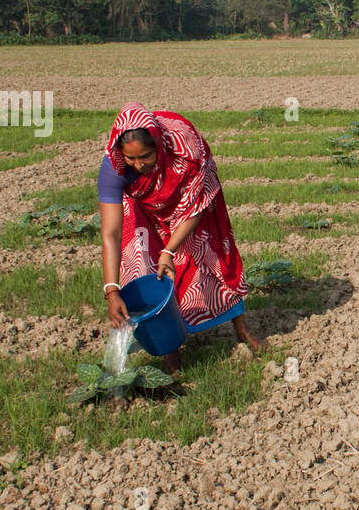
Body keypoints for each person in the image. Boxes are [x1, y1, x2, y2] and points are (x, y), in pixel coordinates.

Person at [99, 103, 266, 374]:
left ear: (159, 147)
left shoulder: (186, 152)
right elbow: (111, 232)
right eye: (131, 159)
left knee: (210, 257)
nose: (139, 165)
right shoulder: (114, 167)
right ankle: (170, 349)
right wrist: (111, 290)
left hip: (192, 197)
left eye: (146, 156)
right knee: (143, 266)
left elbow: (193, 212)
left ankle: (242, 328)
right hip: (143, 205)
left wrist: (170, 250)